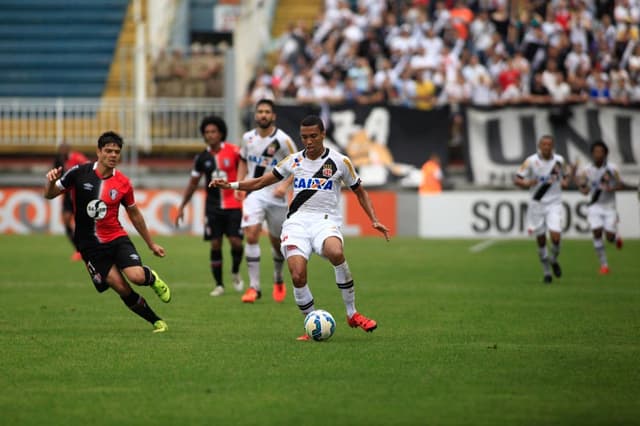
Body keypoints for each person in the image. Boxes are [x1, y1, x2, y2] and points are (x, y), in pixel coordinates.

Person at [210, 115, 390, 340]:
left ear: (323, 134)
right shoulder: (293, 161)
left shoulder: (340, 161)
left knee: (336, 252)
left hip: (325, 221)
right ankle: (311, 322)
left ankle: (352, 313)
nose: (309, 141)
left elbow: (360, 191)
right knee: (297, 275)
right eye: (304, 137)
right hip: (296, 223)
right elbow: (259, 182)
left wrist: (373, 219)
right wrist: (232, 184)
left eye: (314, 136)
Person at [44, 131, 171, 333]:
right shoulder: (78, 172)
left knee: (137, 277)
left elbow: (135, 215)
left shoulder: (123, 183)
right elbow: (49, 195)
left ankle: (152, 278)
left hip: (116, 238)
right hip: (90, 246)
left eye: (117, 152)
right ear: (98, 152)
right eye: (108, 151)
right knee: (120, 287)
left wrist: (151, 244)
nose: (113, 155)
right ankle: (156, 321)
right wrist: (51, 182)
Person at [175, 115, 244, 296]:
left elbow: (245, 170)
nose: (210, 135)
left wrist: (243, 189)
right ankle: (219, 284)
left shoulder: (234, 151)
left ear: (221, 133)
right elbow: (193, 183)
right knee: (215, 244)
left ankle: (235, 271)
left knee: (236, 243)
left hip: (233, 205)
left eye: (213, 131)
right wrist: (182, 206)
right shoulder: (201, 158)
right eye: (207, 132)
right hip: (213, 207)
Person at [237, 99, 297, 303]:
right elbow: (243, 160)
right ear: (255, 115)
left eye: (267, 112)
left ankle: (278, 278)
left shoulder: (283, 140)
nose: (263, 115)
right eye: (260, 111)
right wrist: (241, 183)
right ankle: (254, 287)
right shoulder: (247, 138)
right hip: (254, 194)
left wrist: (284, 186)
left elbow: (298, 165)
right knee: (252, 234)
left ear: (273, 116)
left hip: (276, 196)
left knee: (277, 242)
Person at [514, 135, 570, 284]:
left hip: (554, 203)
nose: (546, 147)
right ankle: (546, 272)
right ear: (539, 146)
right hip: (537, 204)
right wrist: (527, 183)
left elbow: (566, 176)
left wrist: (565, 182)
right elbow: (517, 178)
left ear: (553, 146)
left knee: (556, 237)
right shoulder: (531, 161)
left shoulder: (559, 161)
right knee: (541, 240)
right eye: (544, 144)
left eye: (549, 145)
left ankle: (553, 259)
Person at [575, 140, 623, 274]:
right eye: (596, 152)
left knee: (609, 237)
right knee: (596, 232)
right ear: (592, 154)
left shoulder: (612, 169)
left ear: (605, 153)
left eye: (601, 152)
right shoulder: (587, 170)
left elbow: (620, 185)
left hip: (609, 206)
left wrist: (611, 187)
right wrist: (582, 189)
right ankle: (604, 265)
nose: (598, 154)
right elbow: (583, 187)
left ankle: (616, 236)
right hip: (594, 206)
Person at [53, 141, 90, 261]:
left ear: (68, 149)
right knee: (66, 221)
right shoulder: (59, 161)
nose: (62, 151)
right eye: (61, 149)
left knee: (83, 223)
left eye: (64, 149)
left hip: (79, 195)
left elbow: (89, 169)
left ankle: (85, 249)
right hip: (67, 196)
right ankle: (78, 249)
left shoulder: (77, 157)